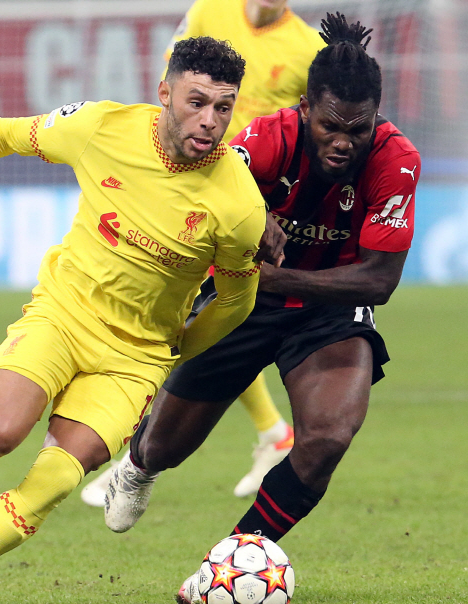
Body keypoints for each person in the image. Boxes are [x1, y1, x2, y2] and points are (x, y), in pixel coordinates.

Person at [0, 37, 274, 604]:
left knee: (52, 483)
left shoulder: (239, 205)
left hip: (134, 360)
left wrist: (179, 349)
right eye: (196, 101)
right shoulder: (102, 127)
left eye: (223, 108)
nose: (209, 120)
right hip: (63, 315)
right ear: (165, 93)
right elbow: (5, 133)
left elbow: (236, 300)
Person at [103, 14, 421, 604]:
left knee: (328, 436)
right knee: (165, 447)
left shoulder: (396, 160)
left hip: (329, 311)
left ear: (377, 116)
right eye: (330, 126)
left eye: (358, 128)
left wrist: (276, 275)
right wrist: (250, 214)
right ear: (306, 108)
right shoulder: (270, 138)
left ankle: (228, 562)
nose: (343, 141)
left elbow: (378, 280)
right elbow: (200, 188)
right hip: (241, 302)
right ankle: (138, 466)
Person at [79, 0, 325, 507]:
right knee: (193, 314)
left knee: (188, 315)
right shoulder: (210, 11)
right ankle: (270, 432)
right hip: (189, 182)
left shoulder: (307, 49)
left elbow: (320, 133)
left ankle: (134, 450)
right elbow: (175, 82)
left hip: (243, 204)